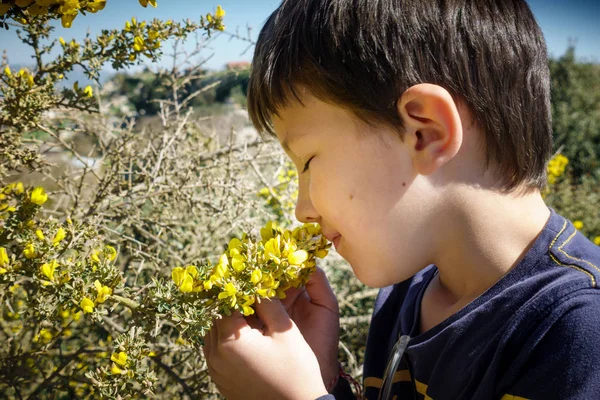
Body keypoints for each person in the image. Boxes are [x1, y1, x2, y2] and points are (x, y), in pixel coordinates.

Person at [201, 0, 600, 399]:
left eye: (306, 162)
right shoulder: (403, 295)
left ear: (425, 133)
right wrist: (323, 381)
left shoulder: (578, 330)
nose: (301, 210)